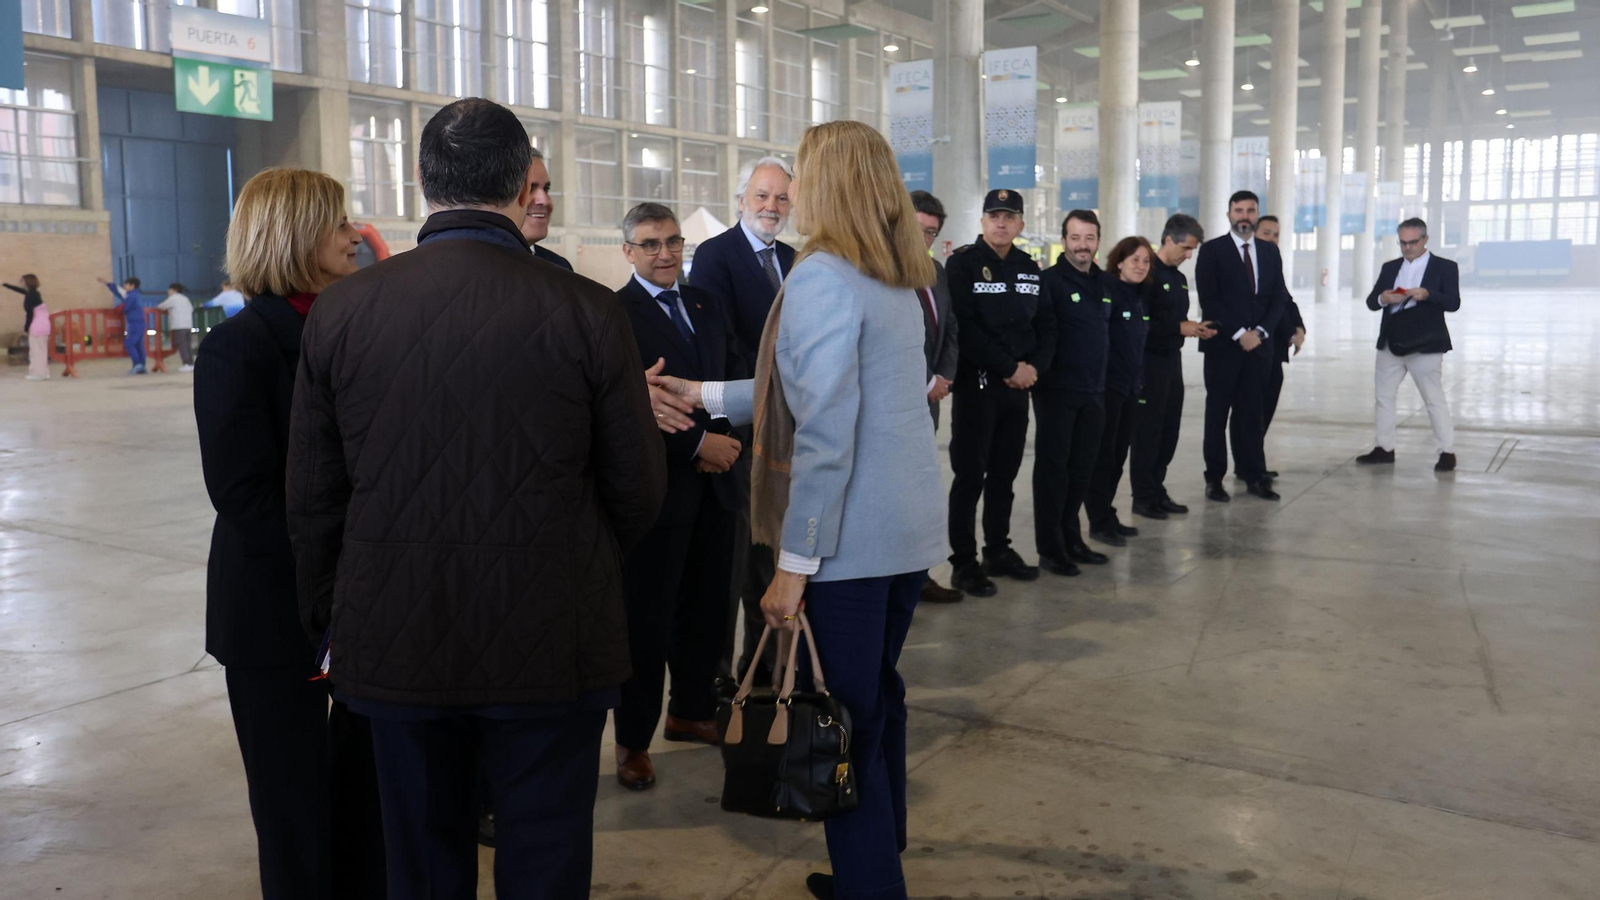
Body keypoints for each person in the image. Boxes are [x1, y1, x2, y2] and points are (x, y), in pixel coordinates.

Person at [286, 98, 666, 900]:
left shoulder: (343, 312)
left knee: (420, 860)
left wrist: (335, 618)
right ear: (517, 181)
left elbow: (315, 499)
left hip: (395, 634)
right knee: (546, 855)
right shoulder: (588, 310)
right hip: (549, 638)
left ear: (424, 181)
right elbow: (637, 487)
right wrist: (578, 567)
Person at [645, 118, 947, 900]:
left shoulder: (822, 278)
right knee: (877, 700)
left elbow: (824, 438)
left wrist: (793, 565)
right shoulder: (895, 276)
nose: (796, 192)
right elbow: (800, 389)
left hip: (846, 544)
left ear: (832, 184)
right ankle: (881, 857)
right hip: (905, 535)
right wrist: (703, 392)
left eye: (806, 175)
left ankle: (870, 885)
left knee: (845, 720)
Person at [193, 167, 384, 900]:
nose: (352, 235)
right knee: (292, 806)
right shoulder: (238, 347)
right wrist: (333, 575)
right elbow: (243, 494)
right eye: (338, 222)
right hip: (276, 613)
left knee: (363, 797)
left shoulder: (356, 329)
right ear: (297, 233)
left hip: (363, 603)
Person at [611, 202, 742, 791]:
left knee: (710, 609)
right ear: (628, 253)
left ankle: (690, 711)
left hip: (719, 485)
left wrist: (727, 440)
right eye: (650, 244)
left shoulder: (706, 303)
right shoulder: (616, 314)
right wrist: (698, 446)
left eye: (672, 241)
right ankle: (632, 742)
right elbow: (632, 406)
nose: (665, 253)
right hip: (661, 491)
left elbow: (736, 375)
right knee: (648, 620)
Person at [687, 155, 796, 682]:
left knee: (772, 559)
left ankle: (764, 670)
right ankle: (719, 679)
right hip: (740, 430)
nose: (771, 207)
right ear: (740, 200)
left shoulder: (797, 259)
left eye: (780, 198)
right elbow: (721, 346)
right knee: (733, 565)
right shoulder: (715, 255)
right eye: (761, 196)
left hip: (786, 429)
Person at [945, 189, 1057, 597]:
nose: (1001, 222)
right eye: (994, 215)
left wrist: (1033, 370)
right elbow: (965, 328)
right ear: (982, 221)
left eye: (1009, 216)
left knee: (1004, 476)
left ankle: (997, 551)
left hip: (1017, 390)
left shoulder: (1031, 268)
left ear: (1021, 224)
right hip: (978, 388)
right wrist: (1009, 367)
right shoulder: (961, 266)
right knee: (970, 476)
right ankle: (963, 563)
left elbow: (1047, 326)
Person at [1193, 190, 1287, 502]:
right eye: (1238, 210)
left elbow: (1278, 298)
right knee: (1217, 415)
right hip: (1223, 347)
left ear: (1257, 214)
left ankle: (1254, 476)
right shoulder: (1211, 251)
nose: (1244, 216)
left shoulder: (1270, 252)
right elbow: (1210, 299)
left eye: (1250, 210)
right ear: (1229, 214)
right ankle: (1214, 479)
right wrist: (1238, 333)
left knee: (1251, 414)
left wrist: (1260, 332)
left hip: (1259, 348)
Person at [1033, 210, 1110, 576]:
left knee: (1081, 470)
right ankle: (1051, 548)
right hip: (1058, 391)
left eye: (1089, 238)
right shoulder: (1049, 281)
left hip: (1095, 391)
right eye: (1076, 237)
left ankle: (1073, 539)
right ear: (1063, 241)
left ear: (1098, 241)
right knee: (1054, 472)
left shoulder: (1104, 282)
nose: (1083, 245)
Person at [1356, 217, 1460, 472]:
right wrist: (1384, 297)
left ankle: (1447, 452)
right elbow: (1372, 301)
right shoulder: (1390, 268)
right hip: (1392, 343)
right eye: (1402, 243)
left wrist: (1428, 294)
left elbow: (1453, 302)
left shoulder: (1445, 267)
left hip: (1426, 344)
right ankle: (1384, 448)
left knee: (1433, 398)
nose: (1407, 248)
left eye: (1412, 242)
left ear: (1425, 240)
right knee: (1384, 398)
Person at [1129, 215, 1214, 520]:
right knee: (1147, 432)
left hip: (1171, 362)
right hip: (1148, 363)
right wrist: (1178, 327)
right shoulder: (1145, 273)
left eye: (1192, 250)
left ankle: (1156, 487)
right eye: (1186, 248)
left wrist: (1194, 328)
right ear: (1168, 240)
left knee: (1169, 430)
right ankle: (1142, 495)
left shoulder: (1177, 278)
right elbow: (1140, 323)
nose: (1188, 255)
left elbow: (1175, 323)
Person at [908, 190, 963, 605]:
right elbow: (894, 341)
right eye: (917, 228)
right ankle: (898, 576)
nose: (923, 238)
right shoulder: (883, 272)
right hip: (901, 402)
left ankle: (919, 576)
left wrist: (943, 375)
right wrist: (925, 381)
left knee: (924, 490)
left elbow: (950, 329)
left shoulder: (937, 272)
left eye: (931, 232)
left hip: (932, 401)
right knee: (899, 490)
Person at [1084, 237, 1155, 548]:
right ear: (1119, 261)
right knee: (1103, 457)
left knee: (1118, 456)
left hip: (1130, 388)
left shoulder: (1139, 297)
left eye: (1145, 261)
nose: (1140, 266)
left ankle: (1108, 513)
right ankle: (1098, 520)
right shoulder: (1109, 290)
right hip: (1108, 389)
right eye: (1134, 259)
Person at [1253, 215, 1306, 474]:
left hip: (1275, 348)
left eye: (1276, 235)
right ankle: (1251, 464)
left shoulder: (1273, 261)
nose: (1272, 239)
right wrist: (1289, 330)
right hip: (1258, 345)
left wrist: (1299, 327)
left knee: (1267, 404)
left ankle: (1254, 462)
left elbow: (1285, 299)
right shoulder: (1250, 265)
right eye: (1266, 233)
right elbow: (1269, 307)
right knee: (1255, 409)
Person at [519, 146, 573, 271]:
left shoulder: (560, 268)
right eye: (530, 188)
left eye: (546, 189)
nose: (544, 201)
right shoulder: (476, 267)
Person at [7, 274, 51, 381]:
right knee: (41, 350)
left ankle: (37, 374)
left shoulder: (30, 296)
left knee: (36, 351)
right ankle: (44, 373)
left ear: (27, 282)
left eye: (22, 280)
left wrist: (26, 328)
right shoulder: (34, 293)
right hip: (43, 324)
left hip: (37, 325)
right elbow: (20, 290)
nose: (20, 282)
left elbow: (30, 314)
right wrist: (5, 285)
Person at [102, 276, 146, 374]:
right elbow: (119, 292)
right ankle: (142, 366)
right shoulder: (134, 295)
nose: (124, 286)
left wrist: (117, 307)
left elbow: (125, 307)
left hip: (135, 324)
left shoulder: (131, 296)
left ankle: (138, 364)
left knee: (129, 344)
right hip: (139, 323)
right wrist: (108, 284)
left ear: (132, 286)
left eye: (126, 284)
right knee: (138, 345)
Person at [158, 282, 196, 372]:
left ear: (174, 290)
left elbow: (161, 306)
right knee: (188, 345)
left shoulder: (173, 298)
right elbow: (191, 309)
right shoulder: (185, 299)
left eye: (169, 290)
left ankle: (186, 363)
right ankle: (191, 363)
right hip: (188, 324)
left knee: (182, 345)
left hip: (179, 325)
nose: (168, 291)